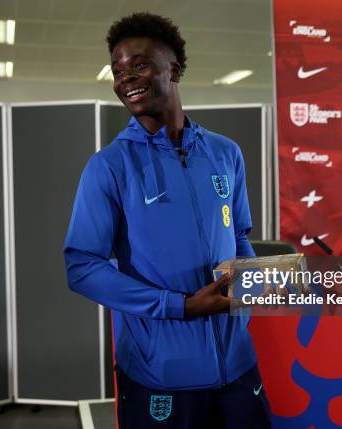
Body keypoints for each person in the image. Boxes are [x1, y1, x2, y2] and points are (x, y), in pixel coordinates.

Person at [63, 12, 271, 429]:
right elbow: (81, 267)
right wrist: (180, 306)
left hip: (238, 366)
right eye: (118, 70)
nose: (126, 79)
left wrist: (250, 285)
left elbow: (240, 235)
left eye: (138, 64)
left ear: (172, 69)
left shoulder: (225, 153)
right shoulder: (110, 167)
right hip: (161, 374)